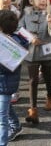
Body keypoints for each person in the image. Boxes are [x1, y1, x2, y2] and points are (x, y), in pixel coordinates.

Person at [18, 0, 51, 124]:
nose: (43, 0)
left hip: (47, 50)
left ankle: (49, 96)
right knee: (33, 80)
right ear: (31, 1)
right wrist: (30, 38)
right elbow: (20, 29)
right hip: (31, 51)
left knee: (47, 76)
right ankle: (33, 109)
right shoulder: (26, 13)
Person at [0, 10, 28, 144]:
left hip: (4, 85)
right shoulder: (18, 40)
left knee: (1, 118)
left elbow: (6, 66)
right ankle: (16, 126)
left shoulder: (10, 44)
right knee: (5, 109)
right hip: (6, 84)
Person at [0, 0, 21, 104]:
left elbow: (19, 28)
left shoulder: (16, 12)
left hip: (11, 45)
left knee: (11, 68)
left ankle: (14, 91)